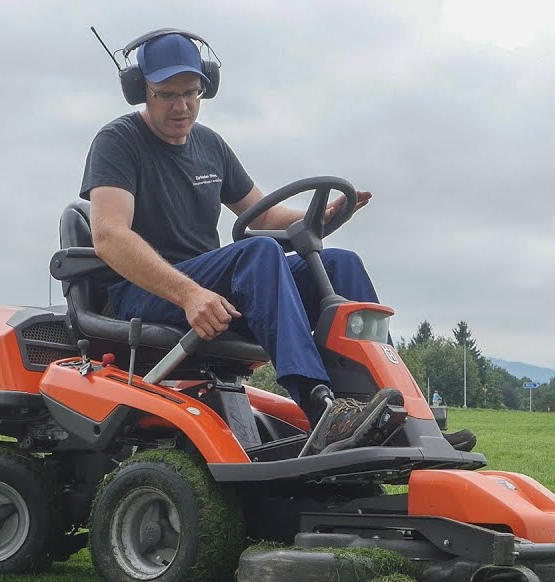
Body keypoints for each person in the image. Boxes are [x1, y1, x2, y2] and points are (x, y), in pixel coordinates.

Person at [79, 31, 400, 451]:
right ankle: (322, 409)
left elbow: (263, 215)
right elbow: (109, 236)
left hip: (211, 284)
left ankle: (390, 407)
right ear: (141, 91)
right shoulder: (118, 142)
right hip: (147, 291)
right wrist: (189, 294)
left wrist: (318, 216)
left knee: (341, 263)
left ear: (205, 87)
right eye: (166, 95)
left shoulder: (209, 145)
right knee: (259, 253)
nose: (182, 106)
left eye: (191, 93)